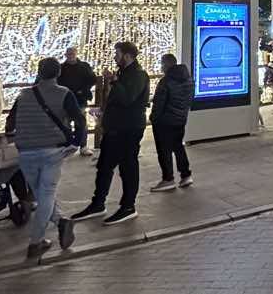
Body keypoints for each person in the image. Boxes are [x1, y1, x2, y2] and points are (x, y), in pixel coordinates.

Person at [6, 56, 85, 258]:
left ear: (39, 73)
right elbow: (79, 119)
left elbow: (10, 121)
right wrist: (77, 142)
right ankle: (36, 241)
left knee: (41, 194)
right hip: (52, 150)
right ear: (58, 73)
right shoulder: (63, 94)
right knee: (46, 194)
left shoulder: (23, 94)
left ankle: (60, 222)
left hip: (25, 151)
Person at [72, 41, 149, 226]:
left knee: (128, 168)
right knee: (104, 166)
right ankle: (98, 203)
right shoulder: (124, 74)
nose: (115, 57)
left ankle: (128, 206)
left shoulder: (139, 75)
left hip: (128, 130)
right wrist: (103, 111)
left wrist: (114, 81)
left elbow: (127, 98)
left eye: (117, 54)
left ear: (128, 56)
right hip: (114, 129)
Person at [149, 53, 193, 192]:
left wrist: (153, 118)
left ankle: (168, 179)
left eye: (162, 63)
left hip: (164, 122)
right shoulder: (188, 79)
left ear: (167, 64)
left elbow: (159, 103)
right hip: (180, 120)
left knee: (164, 151)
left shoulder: (166, 81)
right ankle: (186, 175)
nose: (161, 66)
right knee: (178, 147)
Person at [58, 47, 96, 155]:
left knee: (81, 123)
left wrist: (83, 90)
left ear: (76, 54)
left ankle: (83, 146)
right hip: (65, 100)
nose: (70, 56)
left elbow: (92, 79)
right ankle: (68, 145)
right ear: (66, 55)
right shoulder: (61, 68)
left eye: (72, 54)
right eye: (68, 54)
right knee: (65, 123)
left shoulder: (84, 66)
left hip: (80, 99)